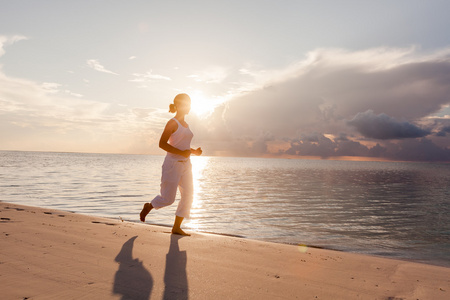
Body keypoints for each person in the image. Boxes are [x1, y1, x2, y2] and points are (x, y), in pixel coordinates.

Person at [140, 93, 202, 236]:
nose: (189, 106)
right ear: (179, 105)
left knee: (188, 195)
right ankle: (149, 206)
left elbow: (184, 147)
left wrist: (194, 151)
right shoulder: (172, 123)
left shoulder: (186, 124)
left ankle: (176, 227)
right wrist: (182, 153)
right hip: (172, 165)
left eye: (190, 103)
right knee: (168, 199)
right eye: (187, 104)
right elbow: (161, 144)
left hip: (186, 164)